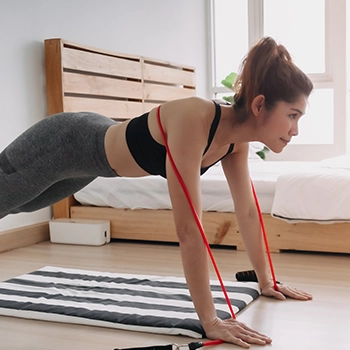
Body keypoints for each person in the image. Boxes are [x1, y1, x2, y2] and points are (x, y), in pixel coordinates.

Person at [0, 37, 313, 347]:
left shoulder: (236, 144)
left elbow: (246, 211)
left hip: (90, 164)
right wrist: (211, 321)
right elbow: (189, 228)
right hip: (66, 142)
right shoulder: (195, 118)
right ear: (260, 105)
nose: (295, 130)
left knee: (20, 207)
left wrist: (266, 281)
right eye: (292, 115)